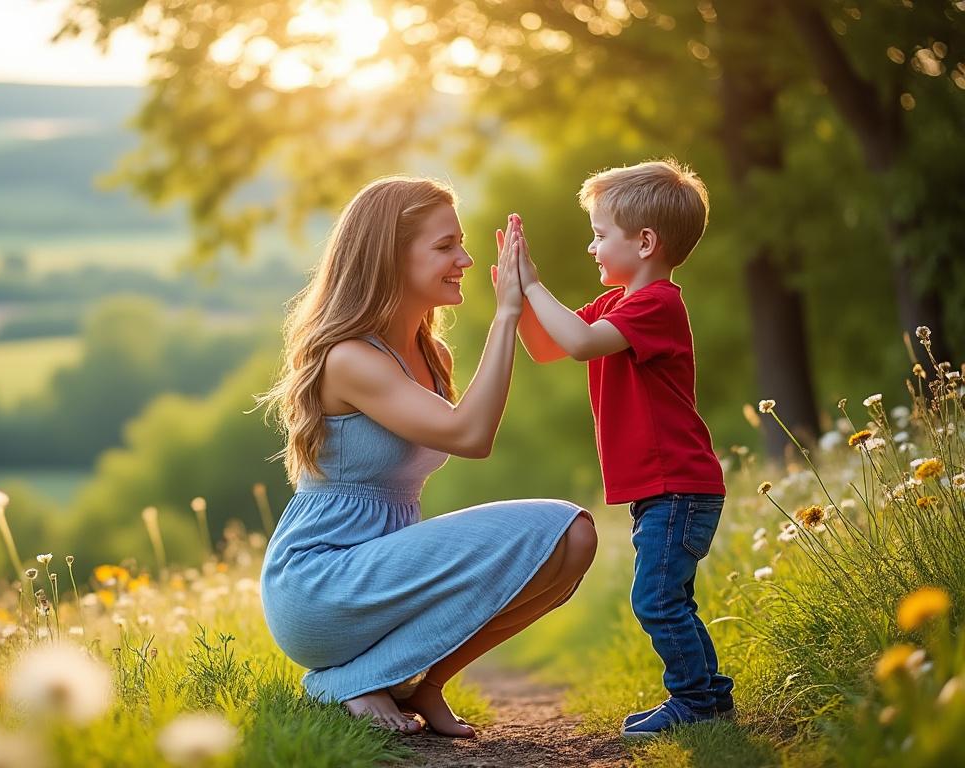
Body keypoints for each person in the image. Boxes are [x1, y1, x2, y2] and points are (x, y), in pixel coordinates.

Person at [257, 176, 596, 738]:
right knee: (562, 523)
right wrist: (506, 315)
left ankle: (420, 685)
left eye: (460, 244)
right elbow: (471, 436)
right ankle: (342, 682)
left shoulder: (430, 353)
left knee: (573, 544)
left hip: (380, 573)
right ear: (389, 257)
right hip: (320, 585)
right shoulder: (350, 359)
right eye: (445, 246)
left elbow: (469, 430)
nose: (465, 259)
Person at [514, 159, 731, 738]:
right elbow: (545, 346)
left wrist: (535, 284)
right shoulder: (615, 305)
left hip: (679, 485)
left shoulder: (656, 304)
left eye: (600, 234)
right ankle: (708, 696)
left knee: (656, 599)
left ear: (645, 242)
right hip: (664, 488)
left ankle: (694, 702)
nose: (591, 247)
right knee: (668, 596)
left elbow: (580, 344)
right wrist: (516, 296)